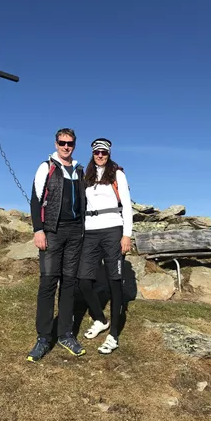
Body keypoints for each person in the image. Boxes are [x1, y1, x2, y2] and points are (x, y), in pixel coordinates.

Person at [27, 128, 86, 362]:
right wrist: (38, 229)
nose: (66, 147)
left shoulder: (80, 170)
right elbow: (35, 199)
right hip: (52, 230)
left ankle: (65, 334)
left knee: (69, 283)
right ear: (56, 143)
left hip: (75, 232)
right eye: (62, 142)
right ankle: (43, 337)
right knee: (48, 282)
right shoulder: (46, 166)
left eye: (70, 143)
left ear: (74, 144)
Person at [78, 138, 133, 354]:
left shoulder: (117, 174)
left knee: (114, 281)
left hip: (113, 229)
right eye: (97, 152)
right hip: (90, 231)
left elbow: (126, 205)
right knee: (83, 280)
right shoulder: (87, 176)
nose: (100, 156)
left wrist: (126, 235)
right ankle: (100, 319)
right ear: (92, 153)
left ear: (109, 154)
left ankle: (114, 335)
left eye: (104, 152)